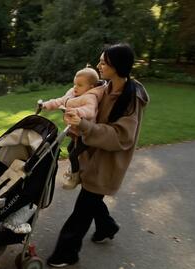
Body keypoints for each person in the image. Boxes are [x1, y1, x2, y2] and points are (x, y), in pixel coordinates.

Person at [46, 43, 150, 267]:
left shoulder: (131, 98)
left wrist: (85, 126)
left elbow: (122, 136)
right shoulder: (104, 88)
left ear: (117, 65)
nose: (99, 65)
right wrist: (74, 114)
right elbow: (86, 108)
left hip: (109, 161)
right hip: (91, 155)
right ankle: (107, 227)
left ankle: (66, 253)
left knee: (84, 207)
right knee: (93, 197)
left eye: (104, 62)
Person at [42, 66, 102, 190]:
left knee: (73, 155)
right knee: (70, 149)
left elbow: (89, 111)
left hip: (86, 134)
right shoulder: (72, 93)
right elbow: (60, 101)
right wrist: (46, 105)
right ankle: (76, 169)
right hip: (76, 132)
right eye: (74, 84)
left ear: (90, 87)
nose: (75, 87)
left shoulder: (90, 97)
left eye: (79, 85)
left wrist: (75, 111)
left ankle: (75, 178)